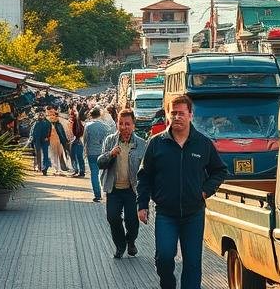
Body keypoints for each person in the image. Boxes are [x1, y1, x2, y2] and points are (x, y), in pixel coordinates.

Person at [136, 94, 227, 289]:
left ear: (190, 115)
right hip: (165, 214)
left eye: (181, 113)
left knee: (193, 263)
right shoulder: (156, 143)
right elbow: (144, 176)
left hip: (193, 214)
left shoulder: (202, 143)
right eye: (173, 113)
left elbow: (219, 171)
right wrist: (142, 205)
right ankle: (167, 283)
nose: (177, 117)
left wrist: (204, 191)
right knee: (164, 258)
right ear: (168, 115)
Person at [98, 108, 147, 258]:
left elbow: (146, 170)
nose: (124, 127)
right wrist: (110, 154)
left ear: (133, 125)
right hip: (113, 189)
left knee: (132, 221)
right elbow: (100, 163)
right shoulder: (110, 141)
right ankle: (120, 246)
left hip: (132, 189)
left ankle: (130, 240)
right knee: (113, 218)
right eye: (120, 123)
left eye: (127, 124)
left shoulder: (141, 144)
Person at [83, 107, 113, 202]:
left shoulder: (88, 126)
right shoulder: (105, 126)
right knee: (104, 173)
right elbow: (108, 139)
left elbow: (85, 140)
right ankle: (106, 192)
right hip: (102, 152)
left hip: (91, 152)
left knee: (94, 174)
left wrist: (85, 151)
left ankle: (97, 195)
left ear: (91, 115)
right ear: (99, 115)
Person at [46, 108, 73, 174]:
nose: (52, 116)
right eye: (50, 115)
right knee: (55, 155)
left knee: (61, 154)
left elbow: (62, 133)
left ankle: (63, 167)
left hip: (60, 141)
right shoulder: (49, 124)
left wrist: (66, 140)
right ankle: (58, 168)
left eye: (53, 115)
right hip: (53, 142)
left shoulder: (59, 124)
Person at [30, 109, 53, 175]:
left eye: (42, 114)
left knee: (45, 154)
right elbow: (32, 132)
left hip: (44, 141)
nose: (41, 115)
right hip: (37, 141)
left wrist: (47, 137)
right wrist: (32, 139)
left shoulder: (47, 122)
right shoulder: (35, 123)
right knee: (38, 154)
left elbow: (49, 131)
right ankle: (39, 167)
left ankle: (45, 168)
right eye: (39, 114)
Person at [69, 108, 87, 178]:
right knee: (75, 156)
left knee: (77, 156)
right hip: (76, 140)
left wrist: (76, 138)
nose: (70, 116)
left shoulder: (76, 122)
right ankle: (77, 170)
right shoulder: (75, 122)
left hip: (77, 140)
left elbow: (78, 132)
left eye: (71, 115)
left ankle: (80, 171)